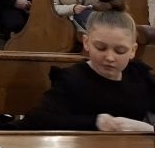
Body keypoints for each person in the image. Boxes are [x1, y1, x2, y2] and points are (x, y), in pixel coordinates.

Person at [21, 9, 155, 132]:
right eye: (100, 48)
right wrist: (95, 122)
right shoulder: (72, 79)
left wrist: (148, 128)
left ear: (132, 50)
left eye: (120, 51)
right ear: (86, 42)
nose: (110, 57)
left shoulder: (139, 76)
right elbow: (38, 119)